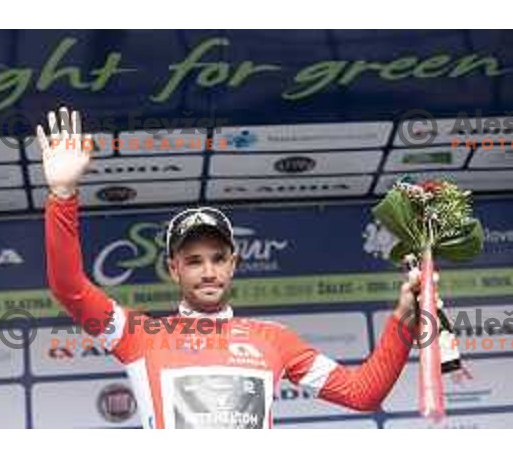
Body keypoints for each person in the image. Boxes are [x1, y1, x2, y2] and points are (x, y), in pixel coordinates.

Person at [37, 107, 421, 429]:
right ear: (174, 269)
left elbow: (362, 393)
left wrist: (404, 318)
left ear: (233, 264)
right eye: (193, 261)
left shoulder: (275, 340)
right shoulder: (140, 335)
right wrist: (63, 194)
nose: (208, 271)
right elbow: (68, 287)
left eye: (218, 259)